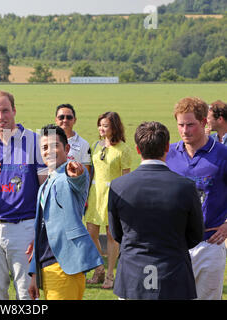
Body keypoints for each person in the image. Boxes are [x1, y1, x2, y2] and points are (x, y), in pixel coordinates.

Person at [108, 121, 204, 300]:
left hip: (132, 277)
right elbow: (196, 235)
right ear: (167, 147)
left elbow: (117, 233)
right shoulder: (186, 187)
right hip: (173, 275)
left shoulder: (119, 186)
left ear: (137, 149)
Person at [0, 90, 47, 300]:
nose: (0, 117)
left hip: (24, 228)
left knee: (27, 294)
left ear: (14, 110)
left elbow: (45, 190)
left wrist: (40, 232)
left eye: (5, 111)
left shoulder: (34, 141)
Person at [28, 124, 103, 300]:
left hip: (64, 265)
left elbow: (78, 179)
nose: (49, 151)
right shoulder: (44, 185)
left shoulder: (71, 173)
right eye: (45, 147)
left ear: (67, 148)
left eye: (55, 146)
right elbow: (40, 233)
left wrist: (76, 174)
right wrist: (34, 275)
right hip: (47, 267)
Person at [166, 97, 227, 300]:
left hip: (210, 243)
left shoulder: (223, 155)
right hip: (174, 245)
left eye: (190, 124)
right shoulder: (169, 154)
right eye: (180, 125)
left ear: (203, 122)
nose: (184, 130)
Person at [85, 111, 131, 289]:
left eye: (105, 125)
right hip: (95, 194)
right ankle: (99, 269)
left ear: (115, 128)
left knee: (112, 235)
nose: (101, 128)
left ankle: (111, 274)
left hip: (114, 195)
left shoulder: (124, 149)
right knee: (91, 233)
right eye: (100, 125)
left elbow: (126, 177)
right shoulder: (95, 145)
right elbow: (92, 172)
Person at [54, 103, 91, 172]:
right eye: (61, 117)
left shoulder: (83, 144)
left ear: (75, 120)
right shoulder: (47, 141)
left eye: (69, 117)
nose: (65, 120)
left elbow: (86, 172)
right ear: (56, 120)